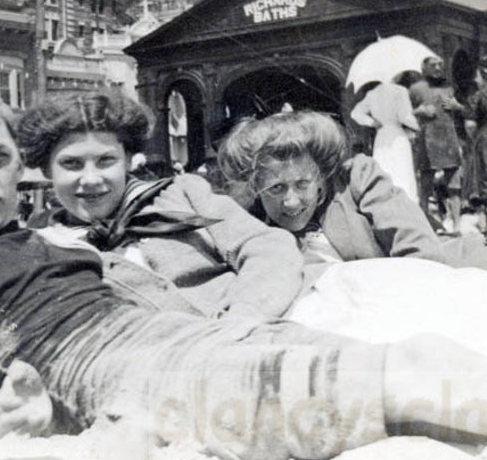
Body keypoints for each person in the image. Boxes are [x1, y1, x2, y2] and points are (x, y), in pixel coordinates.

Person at [0, 88, 487, 460]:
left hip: (217, 339)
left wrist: (237, 323)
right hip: (159, 373)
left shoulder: (53, 240)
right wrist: (7, 413)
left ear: (18, 170)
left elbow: (266, 249)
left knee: (424, 365)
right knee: (411, 380)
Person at [217, 109, 487, 349]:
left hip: (409, 301)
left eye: (302, 184)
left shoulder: (357, 180)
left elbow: (421, 253)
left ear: (320, 176)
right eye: (276, 188)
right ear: (255, 188)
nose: (291, 202)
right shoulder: (251, 224)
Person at [18, 89, 302, 320]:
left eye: (106, 161)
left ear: (128, 160)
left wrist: (244, 317)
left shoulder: (183, 194)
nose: (91, 179)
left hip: (246, 334)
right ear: (46, 170)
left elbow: (269, 249)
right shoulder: (38, 245)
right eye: (71, 164)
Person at [409, 57, 465, 234]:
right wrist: (420, 110)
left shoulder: (449, 87)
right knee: (425, 184)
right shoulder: (416, 89)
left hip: (448, 138)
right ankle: (424, 224)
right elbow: (403, 112)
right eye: (433, 65)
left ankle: (456, 226)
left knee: (454, 185)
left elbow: (466, 110)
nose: (438, 68)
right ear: (424, 68)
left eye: (441, 65)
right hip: (427, 139)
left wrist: (456, 106)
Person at [350, 81, 419, 202]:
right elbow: (404, 117)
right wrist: (418, 126)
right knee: (401, 170)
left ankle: (385, 203)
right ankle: (405, 204)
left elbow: (355, 113)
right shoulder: (399, 90)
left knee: (385, 168)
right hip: (397, 136)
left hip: (381, 136)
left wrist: (372, 122)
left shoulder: (372, 93)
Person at [464, 56, 487, 233]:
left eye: (477, 75)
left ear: (484, 74)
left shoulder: (477, 96)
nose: (476, 79)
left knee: (486, 177)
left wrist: (475, 139)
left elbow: (470, 124)